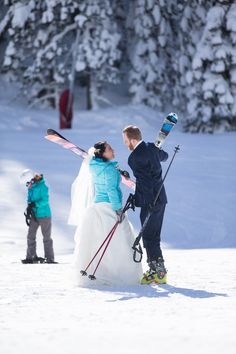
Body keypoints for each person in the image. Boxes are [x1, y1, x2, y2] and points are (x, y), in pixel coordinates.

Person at [69, 142, 142, 286]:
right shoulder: (109, 170)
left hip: (97, 206)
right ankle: (122, 275)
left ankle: (100, 270)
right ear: (102, 153)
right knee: (121, 241)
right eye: (109, 149)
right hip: (109, 207)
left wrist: (120, 173)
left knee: (97, 241)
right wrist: (117, 209)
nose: (113, 150)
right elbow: (111, 190)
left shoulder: (95, 167)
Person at [122, 125, 168, 284]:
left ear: (133, 140)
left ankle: (158, 272)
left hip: (150, 201)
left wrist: (141, 200)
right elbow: (165, 156)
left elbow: (145, 182)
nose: (125, 144)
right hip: (161, 198)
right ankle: (157, 271)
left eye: (126, 140)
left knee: (149, 235)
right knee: (153, 235)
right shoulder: (151, 147)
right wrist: (156, 151)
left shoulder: (134, 158)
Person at [20, 169, 56, 264]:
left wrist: (34, 204)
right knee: (30, 235)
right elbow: (29, 199)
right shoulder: (31, 187)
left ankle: (50, 259)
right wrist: (29, 207)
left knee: (46, 237)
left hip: (44, 215)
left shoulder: (43, 187)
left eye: (28, 182)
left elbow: (45, 200)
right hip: (34, 215)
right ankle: (31, 257)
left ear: (32, 179)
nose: (27, 185)